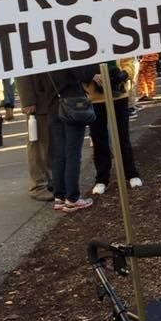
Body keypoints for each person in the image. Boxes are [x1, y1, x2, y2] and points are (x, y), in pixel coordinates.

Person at [86, 60, 142, 196]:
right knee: (99, 139)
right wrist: (91, 75)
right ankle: (101, 179)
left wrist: (124, 74)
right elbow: (79, 66)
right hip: (95, 98)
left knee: (122, 136)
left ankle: (131, 173)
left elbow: (130, 61)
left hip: (118, 95)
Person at [47, 65, 96, 212]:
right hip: (72, 103)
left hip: (52, 103)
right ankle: (72, 197)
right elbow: (85, 74)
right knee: (72, 153)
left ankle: (60, 196)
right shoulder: (67, 52)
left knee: (59, 154)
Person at [16, 71, 55, 201]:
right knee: (37, 145)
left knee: (47, 143)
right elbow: (21, 71)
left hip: (47, 97)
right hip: (38, 100)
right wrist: (27, 100)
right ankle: (38, 186)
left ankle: (48, 181)